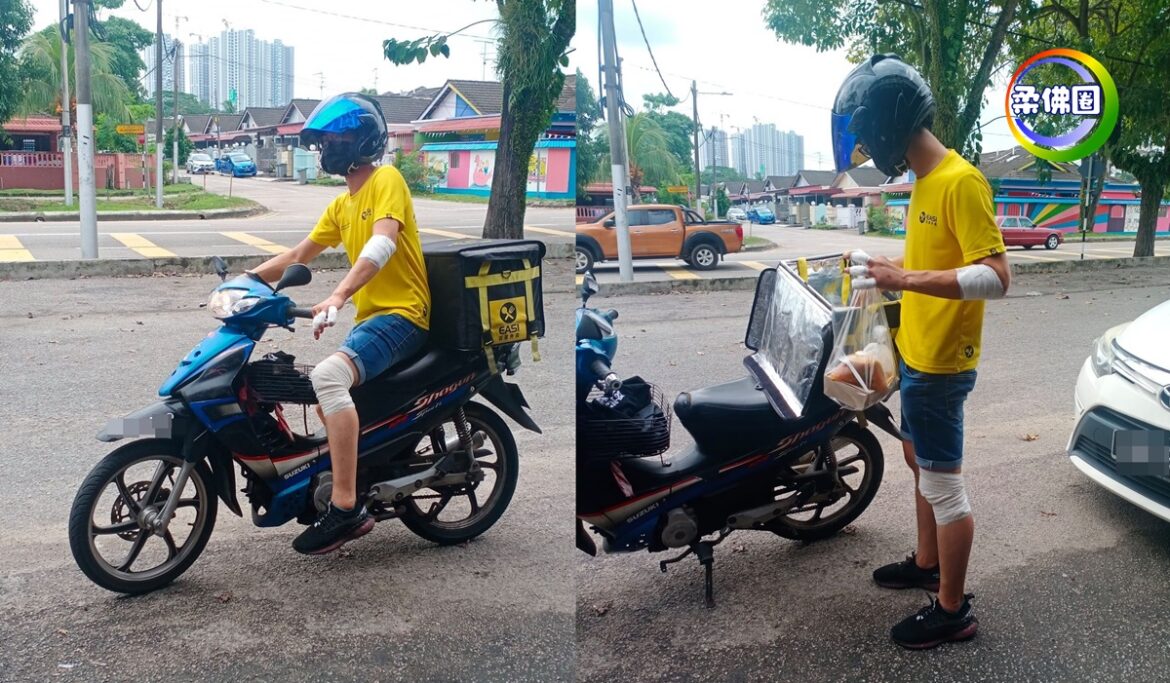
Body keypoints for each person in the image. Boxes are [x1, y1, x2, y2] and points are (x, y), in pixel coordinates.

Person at [832, 54, 1011, 649]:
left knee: (942, 485)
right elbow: (939, 264)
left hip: (942, 367)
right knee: (919, 465)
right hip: (917, 353)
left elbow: (994, 276)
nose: (864, 144)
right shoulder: (925, 181)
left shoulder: (961, 182)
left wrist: (903, 281)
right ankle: (927, 563)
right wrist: (890, 270)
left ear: (888, 124)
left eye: (866, 130)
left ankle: (952, 609)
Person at [247, 93, 430, 555]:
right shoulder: (341, 204)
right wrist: (244, 281)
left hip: (404, 314)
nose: (325, 147)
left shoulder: (387, 179)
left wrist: (338, 294)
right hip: (375, 320)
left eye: (334, 137)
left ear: (360, 138)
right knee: (321, 388)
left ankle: (346, 508)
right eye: (322, 140)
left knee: (327, 376)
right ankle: (349, 473)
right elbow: (296, 256)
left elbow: (383, 245)